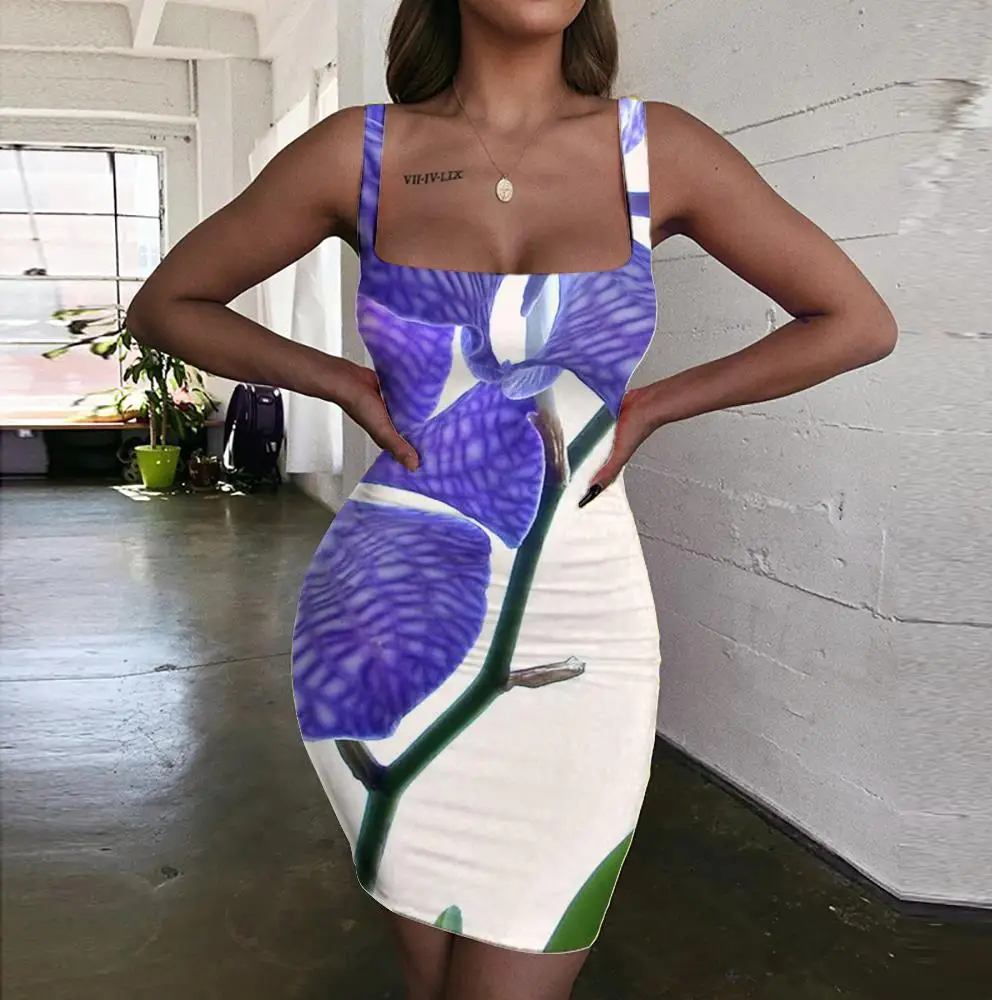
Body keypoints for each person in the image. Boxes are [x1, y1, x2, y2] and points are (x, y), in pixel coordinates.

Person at [126, 1, 898, 997]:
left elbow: (855, 319)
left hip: (583, 619)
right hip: (388, 605)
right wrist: (343, 382)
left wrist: (656, 404)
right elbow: (167, 303)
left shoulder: (656, 150)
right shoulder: (357, 152)